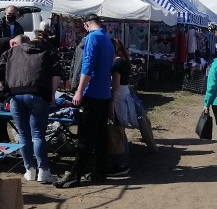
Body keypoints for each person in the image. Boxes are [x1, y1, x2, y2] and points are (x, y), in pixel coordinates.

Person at [55, 14, 115, 188]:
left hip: (92, 93)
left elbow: (87, 67)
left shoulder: (91, 39)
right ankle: (100, 170)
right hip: (104, 93)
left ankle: (75, 174)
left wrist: (79, 91)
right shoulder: (108, 40)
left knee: (85, 136)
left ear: (87, 25)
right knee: (100, 136)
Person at [0, 34, 61, 183]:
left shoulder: (9, 53)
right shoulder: (48, 53)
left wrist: (4, 90)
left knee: (23, 135)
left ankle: (29, 170)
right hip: (38, 95)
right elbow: (56, 75)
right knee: (38, 135)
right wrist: (52, 94)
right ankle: (43, 171)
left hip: (15, 96)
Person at [109, 39, 138, 176]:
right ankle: (123, 162)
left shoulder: (116, 63)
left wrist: (111, 106)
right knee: (121, 132)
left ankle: (122, 164)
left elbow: (115, 86)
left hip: (119, 98)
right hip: (124, 96)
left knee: (118, 133)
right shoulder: (123, 61)